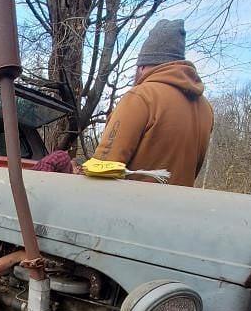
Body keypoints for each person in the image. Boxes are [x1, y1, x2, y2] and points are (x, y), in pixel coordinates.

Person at [88, 19, 214, 187]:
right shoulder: (206, 109)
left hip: (132, 209)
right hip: (181, 210)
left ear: (142, 66)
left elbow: (102, 169)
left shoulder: (141, 97)